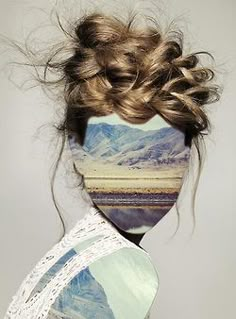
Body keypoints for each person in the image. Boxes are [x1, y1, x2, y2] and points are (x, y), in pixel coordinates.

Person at [3, 7, 221, 319]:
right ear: (79, 154)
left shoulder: (76, 250)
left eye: (163, 157)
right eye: (122, 156)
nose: (143, 185)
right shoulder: (124, 269)